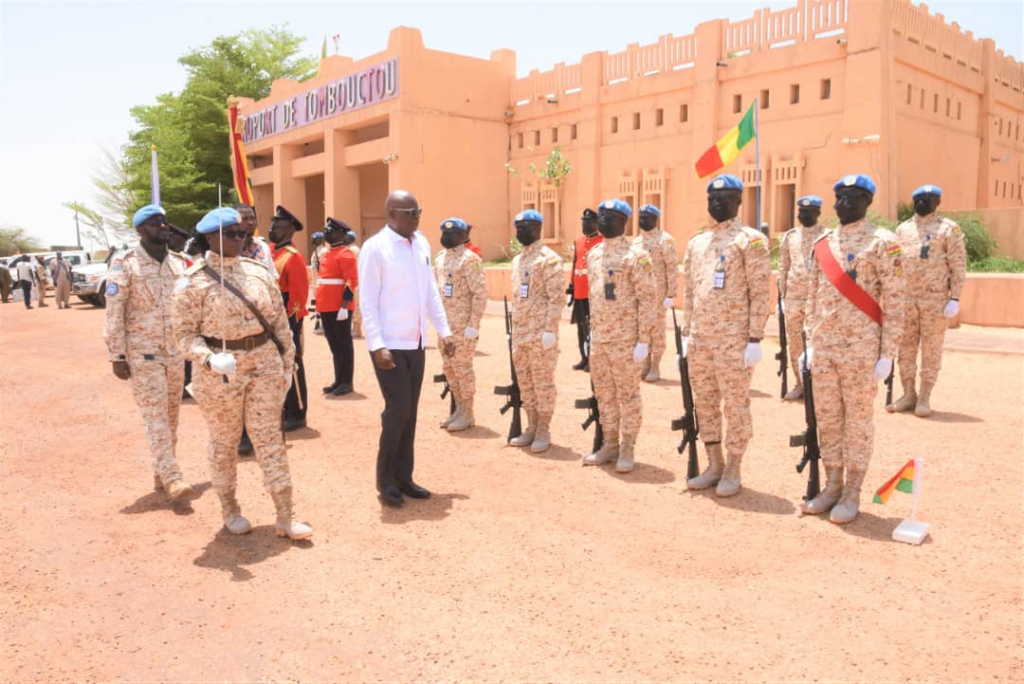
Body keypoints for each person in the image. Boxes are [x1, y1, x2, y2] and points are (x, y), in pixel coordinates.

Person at [171, 206, 312, 539]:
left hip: (263, 362)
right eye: (230, 234)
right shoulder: (192, 282)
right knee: (225, 442)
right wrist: (207, 357)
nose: (239, 239)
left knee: (270, 438)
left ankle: (285, 514)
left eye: (242, 234)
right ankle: (230, 508)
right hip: (221, 371)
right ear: (209, 238)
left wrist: (287, 364)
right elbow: (182, 336)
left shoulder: (258, 271)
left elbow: (280, 323)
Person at [801, 174, 905, 523]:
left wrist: (888, 352)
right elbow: (812, 297)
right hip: (826, 348)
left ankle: (852, 492)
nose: (841, 204)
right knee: (829, 420)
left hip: (862, 351)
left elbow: (895, 301)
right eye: (839, 197)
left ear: (866, 202)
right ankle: (832, 485)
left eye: (851, 197)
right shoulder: (823, 243)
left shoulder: (883, 243)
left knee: (857, 423)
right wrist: (810, 342)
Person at [358, 190, 455, 507]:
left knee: (409, 412)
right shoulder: (375, 249)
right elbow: (368, 301)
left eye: (418, 211)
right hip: (389, 345)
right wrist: (377, 344)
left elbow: (430, 292)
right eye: (411, 211)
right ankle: (385, 481)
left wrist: (444, 330)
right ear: (391, 213)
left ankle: (404, 477)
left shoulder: (422, 244)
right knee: (397, 410)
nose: (417, 217)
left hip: (415, 342)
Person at [680, 175, 771, 497]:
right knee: (704, 403)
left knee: (735, 405)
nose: (717, 204)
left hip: (734, 341)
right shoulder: (697, 242)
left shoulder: (751, 240)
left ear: (739, 202)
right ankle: (714, 463)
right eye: (712, 199)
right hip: (702, 339)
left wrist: (755, 339)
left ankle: (733, 467)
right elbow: (689, 291)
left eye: (726, 198)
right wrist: (686, 332)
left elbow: (761, 292)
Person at [104, 204, 194, 501]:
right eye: (156, 224)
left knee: (171, 416)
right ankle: (172, 476)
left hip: (175, 352)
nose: (164, 227)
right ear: (140, 230)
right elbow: (114, 311)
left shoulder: (179, 263)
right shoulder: (124, 264)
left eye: (165, 222)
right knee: (155, 416)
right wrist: (116, 355)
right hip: (143, 354)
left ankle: (161, 469)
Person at [581, 200, 657, 473]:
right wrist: (591, 333)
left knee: (628, 395)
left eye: (609, 217)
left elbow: (648, 300)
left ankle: (628, 447)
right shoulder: (594, 254)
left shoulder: (636, 256)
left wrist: (644, 340)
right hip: (601, 338)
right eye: (601, 216)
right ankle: (610, 444)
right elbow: (594, 296)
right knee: (604, 394)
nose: (602, 220)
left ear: (623, 221)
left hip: (627, 340)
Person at [887, 184, 966, 418]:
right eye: (920, 198)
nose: (924, 202)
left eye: (930, 199)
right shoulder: (902, 229)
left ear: (938, 202)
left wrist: (955, 296)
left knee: (931, 350)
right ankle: (908, 393)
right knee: (905, 349)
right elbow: (895, 264)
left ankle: (924, 396)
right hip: (906, 300)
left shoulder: (948, 229)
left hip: (935, 301)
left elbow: (958, 263)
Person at [508, 209, 564, 453]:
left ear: (537, 228)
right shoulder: (518, 260)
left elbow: (556, 298)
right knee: (525, 381)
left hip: (541, 333)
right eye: (517, 228)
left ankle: (543, 428)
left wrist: (550, 329)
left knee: (542, 382)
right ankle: (531, 425)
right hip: (520, 332)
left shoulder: (549, 259)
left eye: (525, 228)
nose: (520, 232)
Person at [434, 217, 488, 431]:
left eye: (452, 233)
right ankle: (458, 408)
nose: (447, 237)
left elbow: (480, 294)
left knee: (463, 369)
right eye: (444, 232)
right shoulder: (439, 258)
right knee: (449, 369)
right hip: (444, 327)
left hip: (463, 326)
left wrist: (473, 324)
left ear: (462, 236)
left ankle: (468, 412)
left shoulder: (470, 259)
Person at [777, 196, 828, 401]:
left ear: (818, 213)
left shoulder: (827, 236)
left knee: (818, 343)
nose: (804, 215)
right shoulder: (790, 237)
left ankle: (818, 385)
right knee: (796, 342)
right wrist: (781, 297)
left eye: (809, 212)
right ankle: (800, 383)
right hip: (794, 299)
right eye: (801, 212)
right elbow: (783, 266)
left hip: (818, 300)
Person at [269, 206, 310, 431]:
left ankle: (297, 412)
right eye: (273, 223)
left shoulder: (293, 258)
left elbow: (297, 295)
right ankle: (285, 407)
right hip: (273, 319)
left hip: (288, 319)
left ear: (290, 229)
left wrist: (291, 324)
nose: (272, 228)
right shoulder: (273, 252)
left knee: (293, 365)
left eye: (278, 224)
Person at [632, 204, 678, 382]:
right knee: (642, 328)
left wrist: (671, 294)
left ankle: (655, 365)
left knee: (656, 329)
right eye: (640, 217)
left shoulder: (665, 240)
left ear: (655, 219)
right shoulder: (636, 242)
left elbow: (672, 267)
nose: (642, 221)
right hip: (639, 294)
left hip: (658, 294)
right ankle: (645, 363)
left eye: (646, 217)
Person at [317, 218, 359, 396]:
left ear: (341, 234)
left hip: (338, 306)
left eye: (331, 230)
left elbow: (350, 282)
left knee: (344, 345)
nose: (327, 232)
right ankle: (338, 379)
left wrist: (344, 306)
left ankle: (347, 381)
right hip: (326, 305)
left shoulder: (346, 253)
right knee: (334, 345)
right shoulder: (327, 253)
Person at [567, 208, 603, 371]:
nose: (586, 225)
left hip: (593, 293)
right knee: (581, 326)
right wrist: (571, 286)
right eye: (584, 222)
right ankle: (583, 356)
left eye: (589, 222)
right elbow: (575, 264)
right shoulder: (579, 242)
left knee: (593, 327)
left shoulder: (602, 242)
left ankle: (593, 359)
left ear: (596, 224)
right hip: (579, 291)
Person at [236, 204, 277, 276]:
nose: (250, 222)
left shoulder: (263, 246)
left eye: (253, 218)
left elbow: (273, 276)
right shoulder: (227, 249)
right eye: (244, 219)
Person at [343, 229, 364, 338]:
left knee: (356, 305)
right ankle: (354, 328)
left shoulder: (353, 250)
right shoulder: (350, 249)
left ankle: (357, 329)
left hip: (355, 282)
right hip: (352, 282)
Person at [309, 231, 328, 335]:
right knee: (317, 305)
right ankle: (318, 323)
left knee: (322, 304)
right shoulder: (316, 251)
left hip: (321, 282)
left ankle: (324, 326)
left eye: (314, 239)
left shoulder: (323, 251)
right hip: (315, 282)